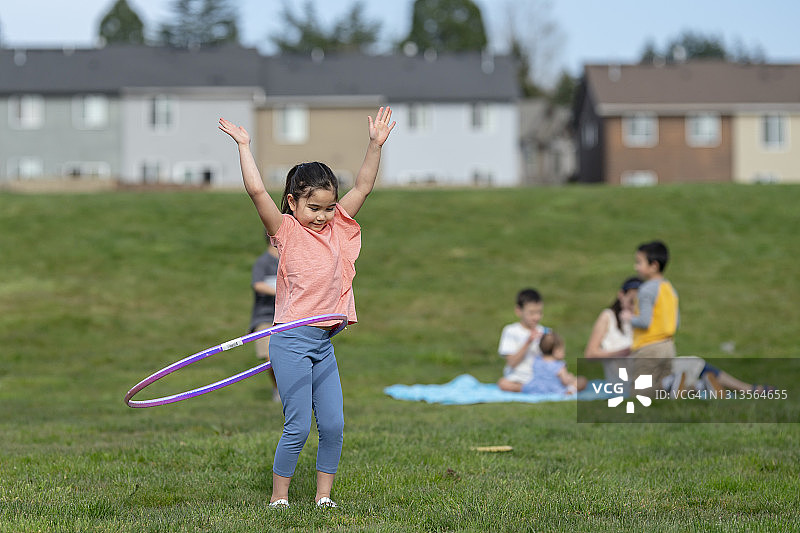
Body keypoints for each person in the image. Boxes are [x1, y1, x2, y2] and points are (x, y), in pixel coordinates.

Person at [218, 106, 396, 510]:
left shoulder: (338, 227)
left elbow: (365, 186)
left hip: (323, 341)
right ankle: (279, 499)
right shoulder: (286, 231)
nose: (322, 216)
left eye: (329, 207)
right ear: (293, 202)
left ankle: (323, 498)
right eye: (313, 208)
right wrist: (245, 146)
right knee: (297, 425)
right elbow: (256, 192)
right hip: (290, 340)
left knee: (333, 425)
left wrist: (374, 144)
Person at [627, 241, 679, 394]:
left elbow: (644, 321)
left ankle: (671, 384)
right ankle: (694, 387)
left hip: (649, 348)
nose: (636, 267)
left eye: (639, 262)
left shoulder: (646, 289)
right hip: (668, 345)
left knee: (638, 393)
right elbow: (677, 321)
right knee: (662, 394)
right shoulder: (669, 288)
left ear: (654, 265)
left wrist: (628, 318)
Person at [584, 277, 641, 383]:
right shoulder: (607, 317)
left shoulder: (641, 320)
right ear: (621, 295)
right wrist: (622, 352)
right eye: (632, 301)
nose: (634, 307)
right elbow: (590, 354)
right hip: (619, 376)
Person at [497, 288, 548, 392]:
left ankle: (538, 387)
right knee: (503, 383)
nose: (536, 317)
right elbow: (511, 362)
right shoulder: (511, 331)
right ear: (519, 311)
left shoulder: (545, 332)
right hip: (517, 379)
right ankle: (530, 388)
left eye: (539, 312)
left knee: (579, 381)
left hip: (540, 378)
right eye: (531, 313)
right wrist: (528, 342)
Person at [249, 234, 280, 402]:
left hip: (287, 319)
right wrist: (280, 292)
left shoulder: (290, 262)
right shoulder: (263, 263)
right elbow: (258, 284)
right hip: (265, 319)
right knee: (271, 357)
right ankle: (278, 388)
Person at [522, 331, 587, 395]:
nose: (564, 352)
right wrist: (571, 378)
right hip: (553, 390)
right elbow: (565, 381)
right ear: (556, 351)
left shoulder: (537, 360)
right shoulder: (559, 365)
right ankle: (571, 391)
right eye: (562, 349)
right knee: (581, 381)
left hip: (534, 389)